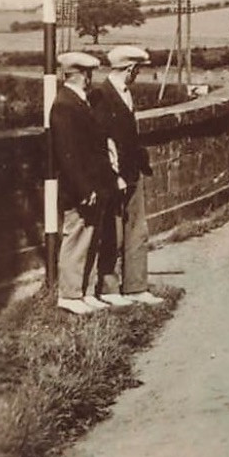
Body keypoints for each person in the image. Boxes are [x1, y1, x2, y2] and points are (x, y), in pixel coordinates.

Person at [89, 45, 165, 306]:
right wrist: (113, 176)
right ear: (130, 69)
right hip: (114, 175)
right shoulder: (101, 95)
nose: (138, 74)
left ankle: (136, 286)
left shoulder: (125, 93)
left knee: (136, 230)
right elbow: (101, 141)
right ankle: (109, 288)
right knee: (113, 232)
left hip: (132, 171)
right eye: (138, 70)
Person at [49, 51, 117, 315]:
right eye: (88, 74)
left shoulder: (78, 102)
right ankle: (69, 294)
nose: (91, 79)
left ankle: (84, 292)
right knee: (76, 238)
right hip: (80, 189)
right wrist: (84, 189)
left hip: (93, 187)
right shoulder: (64, 105)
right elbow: (68, 155)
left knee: (90, 238)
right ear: (78, 75)